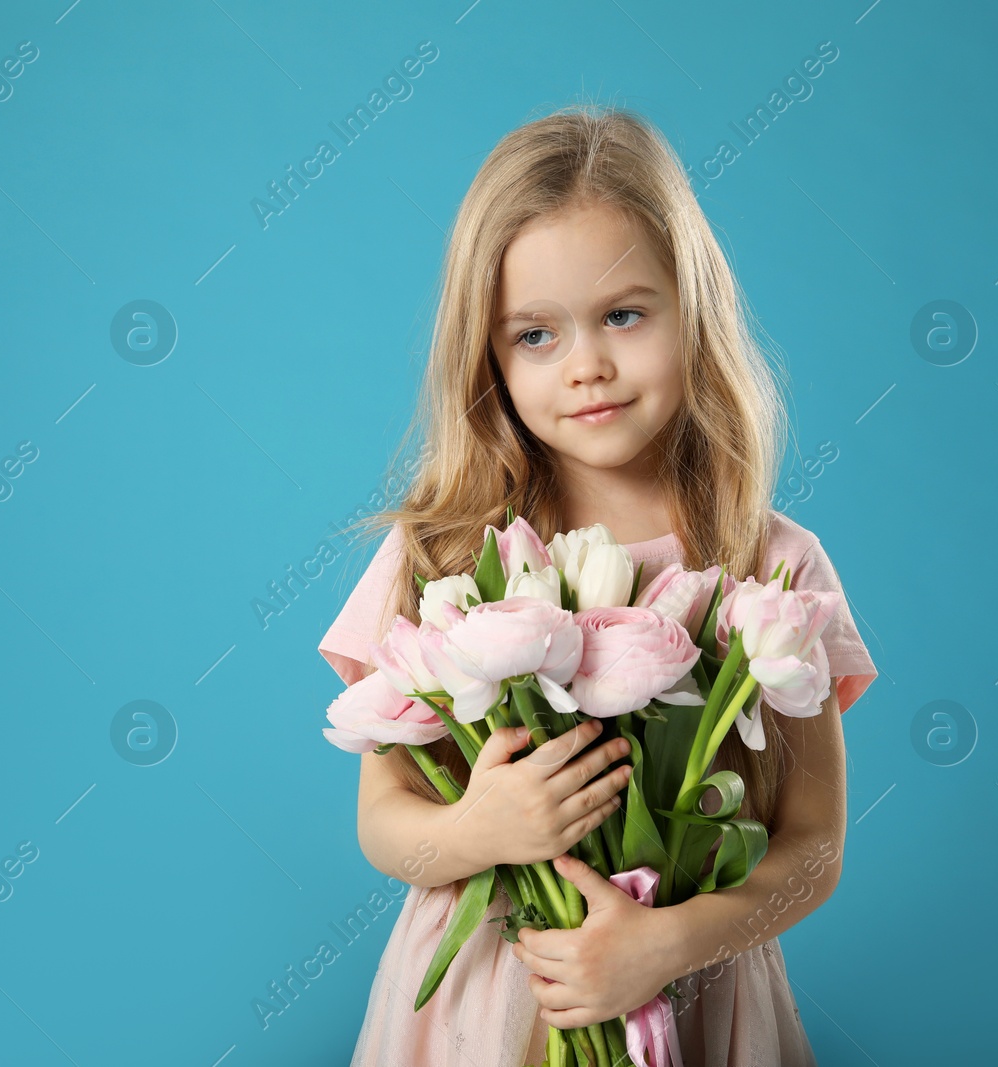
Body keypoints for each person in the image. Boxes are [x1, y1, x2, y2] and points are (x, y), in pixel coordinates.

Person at [316, 105, 879, 1067]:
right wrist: (475, 830)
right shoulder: (443, 551)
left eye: (624, 314)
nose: (588, 367)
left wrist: (668, 943)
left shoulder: (771, 567)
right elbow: (383, 825)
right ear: (485, 355)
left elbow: (815, 847)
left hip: (694, 988)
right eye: (535, 335)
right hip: (487, 1003)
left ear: (691, 307)